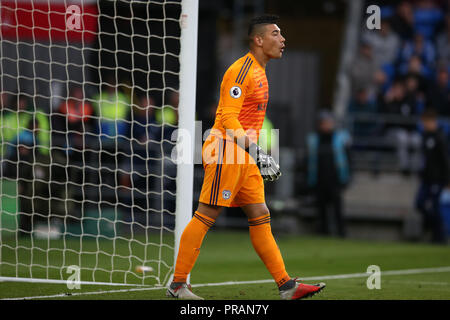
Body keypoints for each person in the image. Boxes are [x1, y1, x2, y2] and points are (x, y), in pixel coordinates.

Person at [166, 15, 325, 300]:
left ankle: (286, 286)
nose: (283, 39)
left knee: (260, 214)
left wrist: (255, 153)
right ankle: (178, 285)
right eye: (276, 34)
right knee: (207, 214)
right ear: (259, 40)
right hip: (225, 149)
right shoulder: (241, 71)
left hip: (244, 153)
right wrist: (256, 151)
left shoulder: (260, 71)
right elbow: (226, 116)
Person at [306, 111, 351, 238]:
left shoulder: (340, 138)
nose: (326, 125)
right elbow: (309, 161)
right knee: (321, 208)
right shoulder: (314, 140)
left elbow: (348, 159)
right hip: (319, 179)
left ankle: (341, 232)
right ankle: (323, 232)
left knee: (337, 207)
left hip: (336, 179)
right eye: (323, 123)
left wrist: (346, 178)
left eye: (328, 123)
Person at [415, 109, 449, 244]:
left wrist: (447, 180)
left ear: (431, 121)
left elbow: (445, 160)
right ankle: (433, 229)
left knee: (435, 207)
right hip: (426, 178)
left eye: (425, 122)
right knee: (419, 203)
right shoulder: (424, 136)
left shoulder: (440, 137)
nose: (423, 125)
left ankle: (439, 237)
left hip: (437, 179)